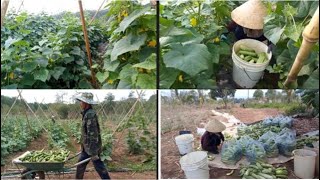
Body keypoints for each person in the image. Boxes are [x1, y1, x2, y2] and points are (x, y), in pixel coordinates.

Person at [75, 92, 111, 179]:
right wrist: (83, 146)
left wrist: (94, 152)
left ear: (86, 103)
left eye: (82, 102)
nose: (80, 103)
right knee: (80, 165)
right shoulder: (86, 113)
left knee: (99, 166)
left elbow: (93, 134)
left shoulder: (90, 114)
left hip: (92, 148)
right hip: (86, 147)